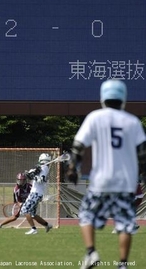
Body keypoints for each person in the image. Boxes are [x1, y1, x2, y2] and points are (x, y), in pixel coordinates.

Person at [66, 79, 146, 269]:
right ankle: (123, 264)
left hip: (100, 181)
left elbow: (78, 145)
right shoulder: (132, 121)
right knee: (125, 223)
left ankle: (91, 252)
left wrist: (72, 169)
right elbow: (143, 152)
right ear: (123, 99)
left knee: (86, 215)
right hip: (125, 183)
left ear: (103, 98)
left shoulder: (95, 117)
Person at [21, 153, 53, 235]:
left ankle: (33, 229)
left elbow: (40, 180)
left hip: (36, 193)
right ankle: (47, 225)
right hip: (36, 193)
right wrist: (30, 174)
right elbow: (31, 175)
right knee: (32, 214)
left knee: (25, 210)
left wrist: (34, 176)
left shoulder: (45, 168)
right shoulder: (40, 168)